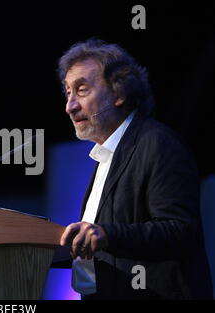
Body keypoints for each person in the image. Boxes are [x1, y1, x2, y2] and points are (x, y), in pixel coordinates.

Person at [56, 38, 213, 299]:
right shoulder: (107, 156)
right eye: (68, 92)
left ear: (119, 94)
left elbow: (180, 230)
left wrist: (106, 234)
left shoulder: (158, 144)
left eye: (82, 90)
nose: (70, 106)